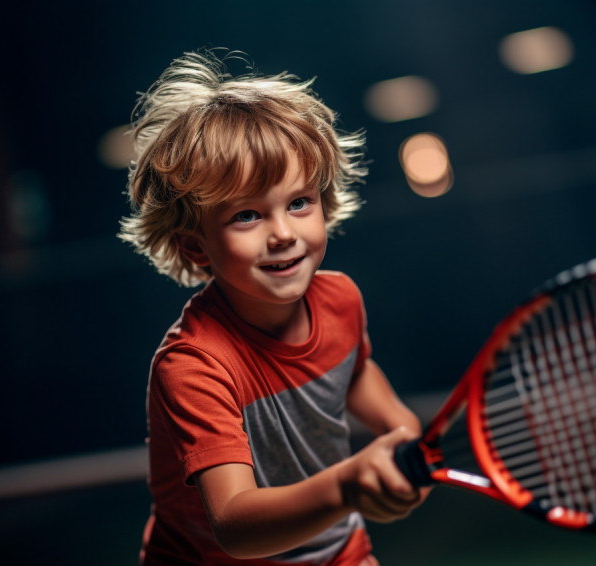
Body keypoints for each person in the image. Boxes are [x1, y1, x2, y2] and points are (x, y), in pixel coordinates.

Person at [118, 49, 426, 566]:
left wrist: (404, 437)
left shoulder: (341, 299)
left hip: (336, 552)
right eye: (246, 215)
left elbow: (355, 374)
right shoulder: (193, 366)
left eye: (299, 202)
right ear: (197, 247)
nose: (283, 234)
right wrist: (350, 483)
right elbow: (236, 527)